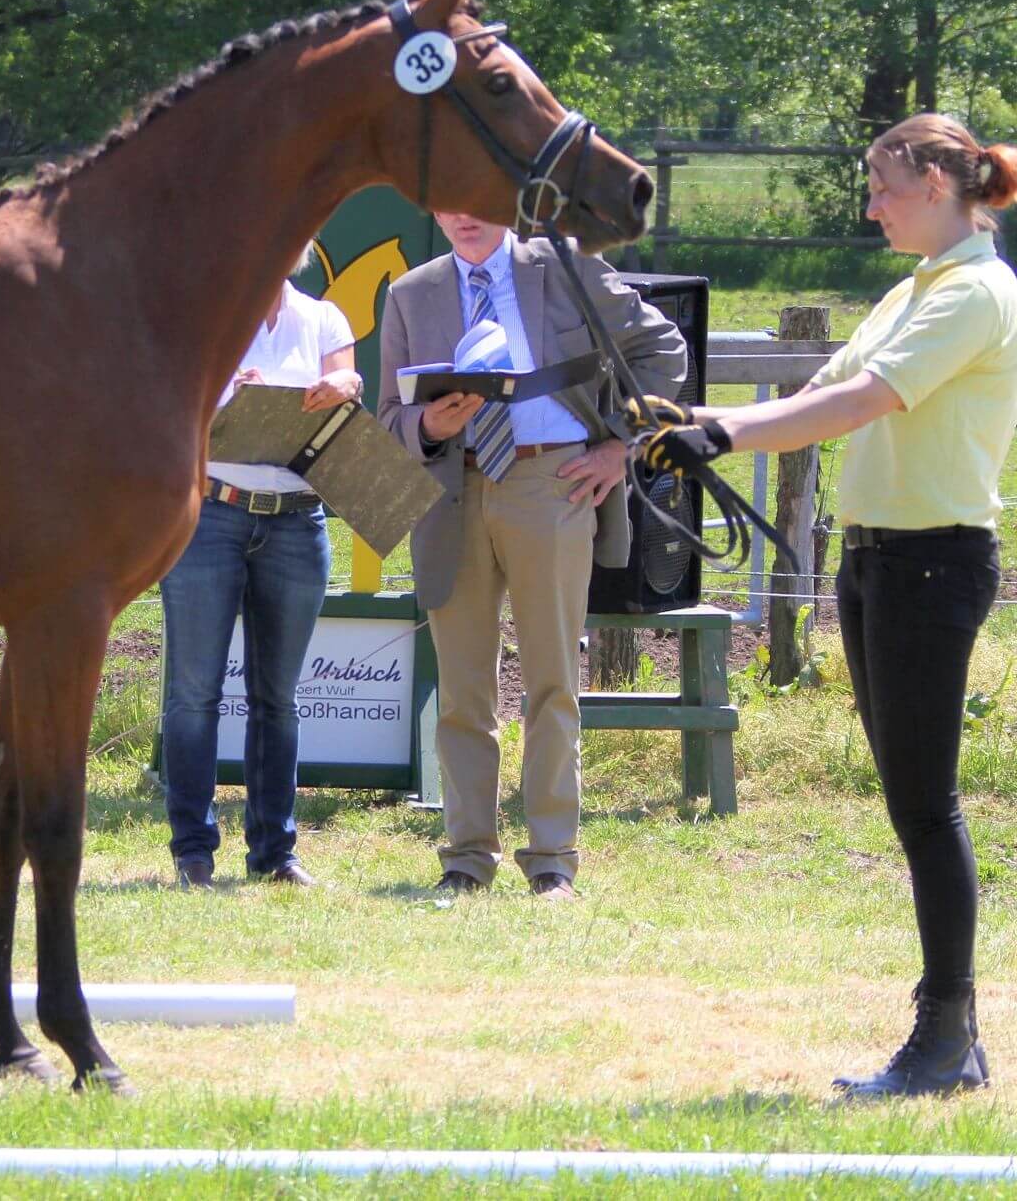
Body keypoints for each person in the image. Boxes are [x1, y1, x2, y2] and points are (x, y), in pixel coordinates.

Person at [636, 114, 1017, 1097]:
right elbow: (819, 384)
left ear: (936, 182)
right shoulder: (912, 288)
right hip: (877, 565)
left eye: (882, 184)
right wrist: (690, 418)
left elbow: (857, 407)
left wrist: (717, 437)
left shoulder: (975, 292)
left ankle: (942, 1038)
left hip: (931, 566)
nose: (868, 202)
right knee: (911, 805)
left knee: (925, 810)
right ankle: (949, 1039)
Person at [378, 213, 685, 900]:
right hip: (449, 491)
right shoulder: (410, 293)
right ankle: (466, 858)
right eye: (446, 202)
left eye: (476, 201)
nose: (461, 216)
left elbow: (662, 348)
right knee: (462, 690)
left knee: (552, 681)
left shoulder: (565, 265)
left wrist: (622, 447)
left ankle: (552, 860)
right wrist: (427, 425)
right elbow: (387, 418)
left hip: (554, 482)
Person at [161, 270, 359, 889]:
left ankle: (276, 851)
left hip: (298, 520)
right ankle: (193, 850)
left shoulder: (324, 318)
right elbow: (168, 397)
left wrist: (343, 384)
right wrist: (225, 395)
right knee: (195, 693)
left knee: (279, 698)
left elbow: (348, 379)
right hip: (211, 514)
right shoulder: (206, 309)